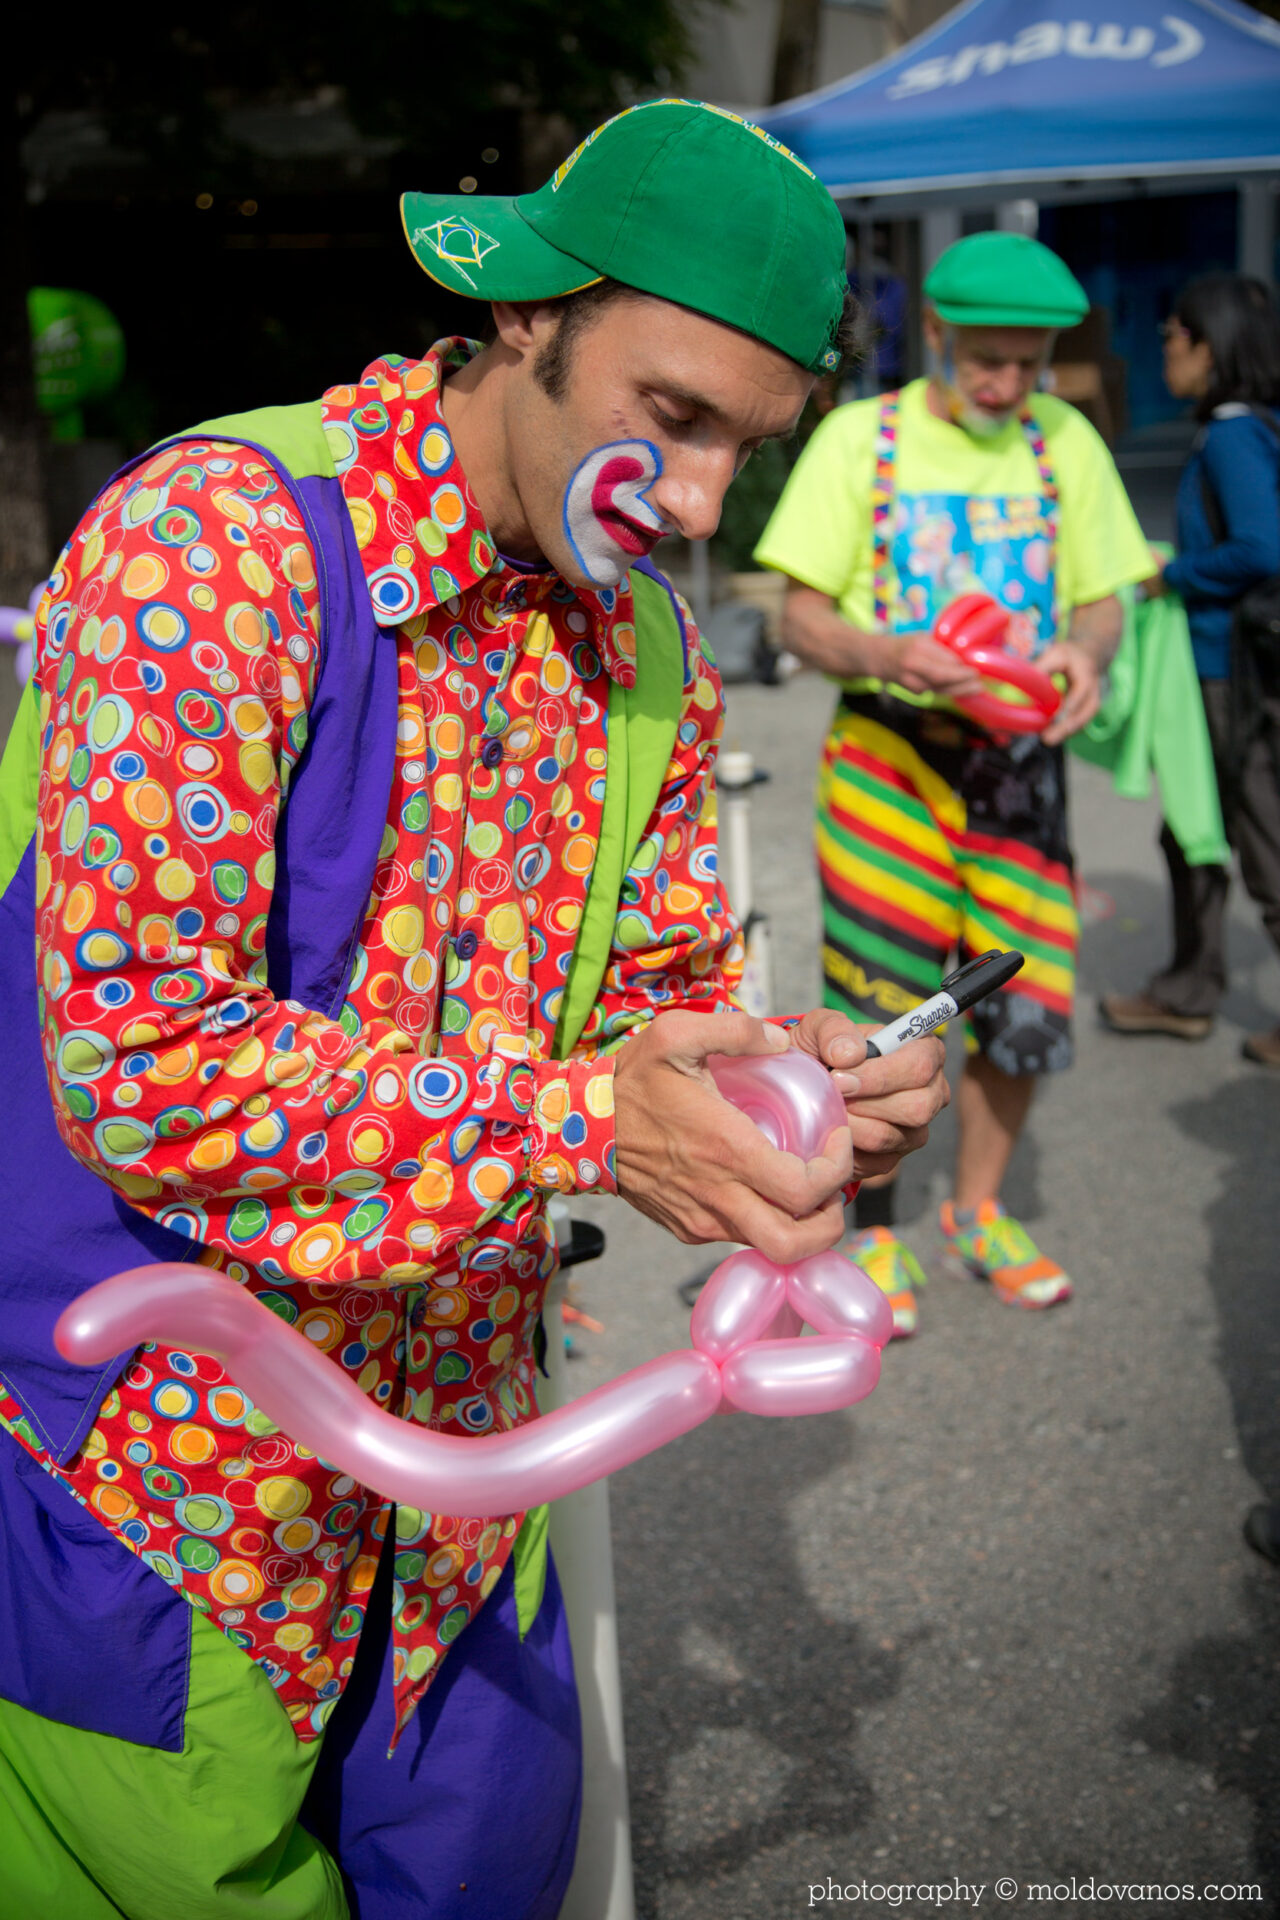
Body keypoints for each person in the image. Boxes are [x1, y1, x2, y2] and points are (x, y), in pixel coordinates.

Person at [0, 100, 950, 1918]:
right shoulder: (222, 543)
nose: (691, 504)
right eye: (668, 418)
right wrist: (592, 1121)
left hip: (467, 1489)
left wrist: (785, 1089)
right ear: (530, 314)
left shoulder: (649, 640)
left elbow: (666, 1000)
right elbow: (142, 1067)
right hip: (146, 1489)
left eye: (743, 452)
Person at [755, 230, 1152, 1338]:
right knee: (879, 1009)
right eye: (984, 358)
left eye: (1027, 362)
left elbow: (1105, 596)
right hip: (888, 754)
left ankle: (975, 1212)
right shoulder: (855, 440)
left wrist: (1084, 651)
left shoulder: (1060, 441)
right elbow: (794, 613)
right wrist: (883, 654)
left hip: (1018, 770)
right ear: (933, 333)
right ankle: (874, 1230)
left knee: (1020, 1003)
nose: (1006, 383)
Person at [1099, 274, 1280, 1065]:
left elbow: (1261, 548)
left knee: (1253, 832)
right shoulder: (1250, 428)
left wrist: (1168, 576)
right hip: (1223, 667)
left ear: (1211, 347)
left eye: (1174, 336)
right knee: (1195, 833)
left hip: (1223, 672)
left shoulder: (1234, 435)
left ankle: (1189, 989)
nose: (1165, 349)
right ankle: (1188, 988)